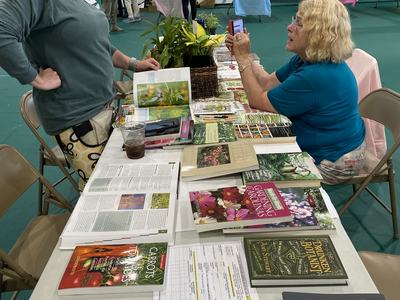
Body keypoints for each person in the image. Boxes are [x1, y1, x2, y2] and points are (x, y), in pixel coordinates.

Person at [0, 0, 160, 189]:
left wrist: (133, 63)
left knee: (126, 178)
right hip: (78, 118)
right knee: (109, 190)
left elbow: (100, 45)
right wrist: (35, 78)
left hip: (104, 110)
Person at [226, 0, 366, 185]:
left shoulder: (315, 75)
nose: (289, 27)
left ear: (318, 34)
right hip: (340, 145)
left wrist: (243, 58)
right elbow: (268, 82)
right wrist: (244, 55)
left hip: (335, 161)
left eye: (299, 23)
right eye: (294, 20)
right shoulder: (309, 59)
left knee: (243, 172)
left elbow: (258, 100)